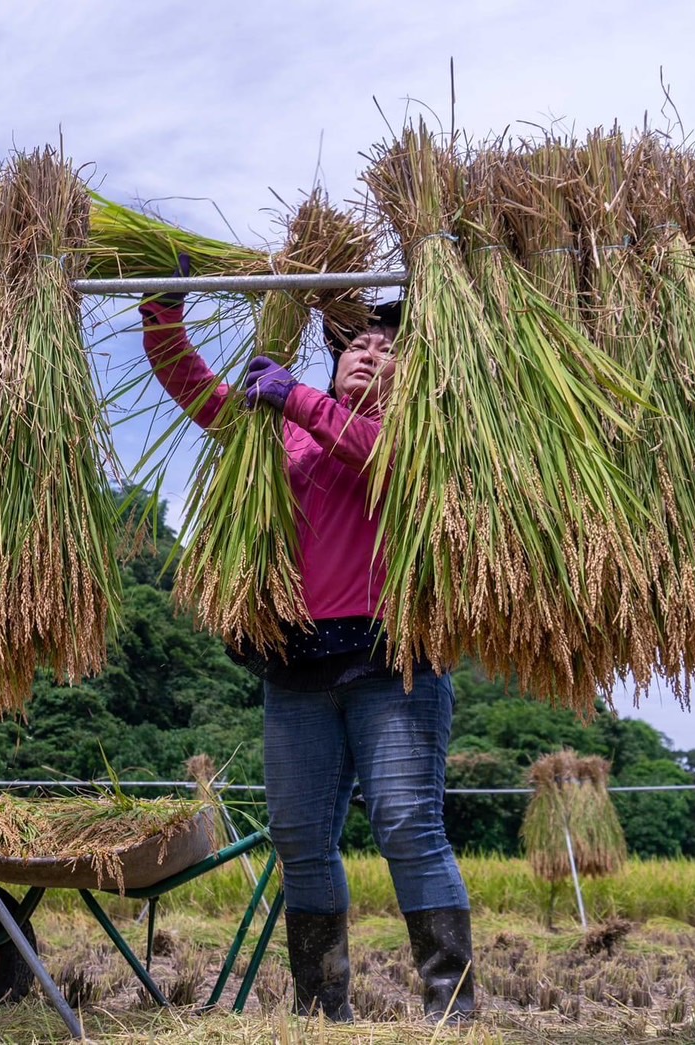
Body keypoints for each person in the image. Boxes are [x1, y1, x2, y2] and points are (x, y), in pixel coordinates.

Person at [138, 272, 475, 1024]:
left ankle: (449, 1012)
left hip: (394, 663)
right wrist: (162, 308)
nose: (367, 351)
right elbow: (192, 387)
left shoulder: (422, 436)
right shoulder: (281, 430)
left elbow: (385, 461)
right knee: (298, 836)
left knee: (405, 822)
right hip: (296, 666)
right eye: (357, 341)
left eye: (387, 347)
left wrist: (298, 396)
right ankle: (322, 1010)